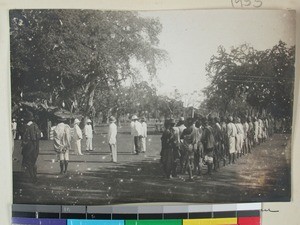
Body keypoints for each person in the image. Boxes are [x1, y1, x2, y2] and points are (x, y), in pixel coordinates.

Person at [21, 112, 41, 182]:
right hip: (36, 146)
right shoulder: (35, 125)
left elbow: (26, 138)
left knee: (28, 163)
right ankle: (34, 176)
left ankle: (33, 177)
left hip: (29, 146)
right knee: (33, 162)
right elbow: (39, 135)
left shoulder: (26, 127)